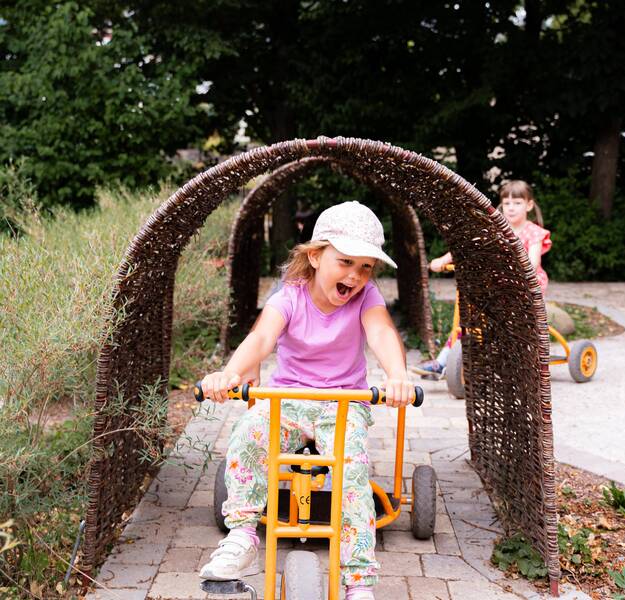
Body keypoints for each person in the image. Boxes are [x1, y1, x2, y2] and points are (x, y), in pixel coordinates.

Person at [198, 201, 416, 600]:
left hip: (345, 403)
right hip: (289, 398)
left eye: (366, 267)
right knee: (248, 434)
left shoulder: (366, 298)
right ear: (315, 256)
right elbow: (262, 338)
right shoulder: (290, 297)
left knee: (351, 474)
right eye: (346, 261)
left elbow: (382, 333)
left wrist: (398, 377)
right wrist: (230, 374)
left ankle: (359, 581)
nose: (355, 275)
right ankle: (243, 535)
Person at [412, 180, 551, 378]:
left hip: (524, 288)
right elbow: (469, 244)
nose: (511, 208)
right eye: (507, 203)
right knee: (467, 318)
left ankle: (511, 360)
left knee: (507, 325)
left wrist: (513, 269)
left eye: (517, 203)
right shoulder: (496, 228)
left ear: (529, 205)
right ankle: (442, 361)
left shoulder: (533, 232)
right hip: (497, 285)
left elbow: (533, 263)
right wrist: (443, 260)